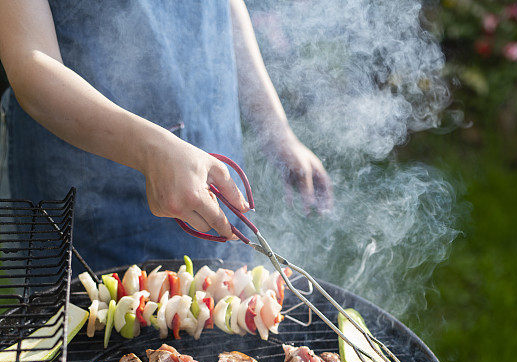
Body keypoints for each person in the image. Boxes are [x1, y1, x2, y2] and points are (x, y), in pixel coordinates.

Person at [0, 0, 332, 270]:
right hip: (94, 200)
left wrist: (276, 128)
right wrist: (151, 152)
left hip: (209, 151)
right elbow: (31, 62)